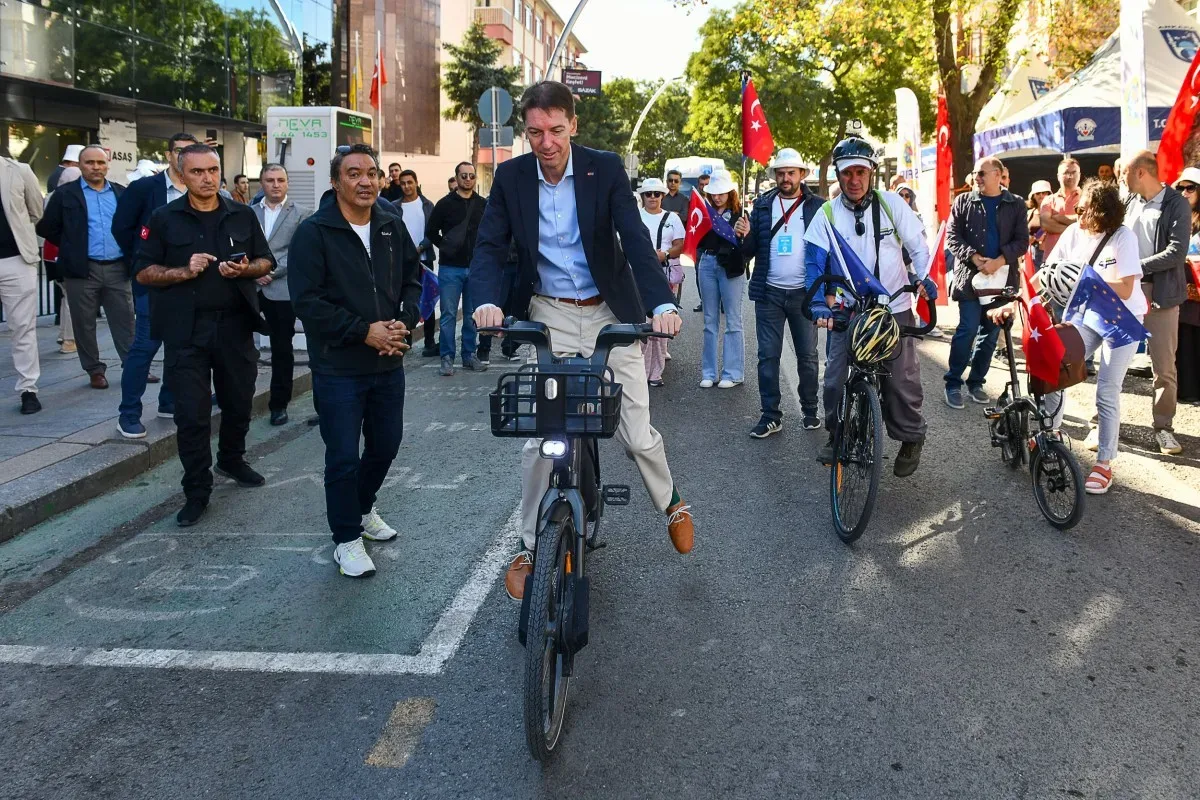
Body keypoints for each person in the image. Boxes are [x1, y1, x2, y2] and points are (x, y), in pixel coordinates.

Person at [469, 80, 694, 601]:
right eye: (535, 132)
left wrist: (661, 305)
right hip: (547, 312)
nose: (546, 142)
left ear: (572, 124)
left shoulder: (605, 168)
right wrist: (485, 302)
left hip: (606, 311)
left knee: (635, 433)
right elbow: (489, 246)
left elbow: (634, 239)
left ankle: (670, 502)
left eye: (555, 130)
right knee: (538, 439)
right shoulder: (511, 177)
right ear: (525, 132)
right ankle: (529, 546)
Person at [289, 143, 422, 578]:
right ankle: (346, 538)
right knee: (343, 456)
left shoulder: (390, 223)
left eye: (372, 173)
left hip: (388, 361)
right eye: (353, 174)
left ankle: (362, 509)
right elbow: (308, 302)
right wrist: (364, 331)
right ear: (335, 182)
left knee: (386, 446)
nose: (365, 181)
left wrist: (403, 322)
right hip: (339, 367)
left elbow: (413, 279)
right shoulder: (314, 232)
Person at [134, 143, 274, 527]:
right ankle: (197, 490)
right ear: (182, 175)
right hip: (186, 331)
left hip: (235, 326)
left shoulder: (242, 214)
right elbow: (143, 272)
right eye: (197, 172)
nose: (207, 178)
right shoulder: (164, 218)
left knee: (239, 402)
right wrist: (184, 270)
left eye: (213, 170)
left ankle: (231, 459)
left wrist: (245, 270)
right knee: (192, 416)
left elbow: (266, 261)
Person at [804, 135, 935, 476]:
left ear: (871, 173)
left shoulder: (892, 204)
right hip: (848, 308)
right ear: (838, 175)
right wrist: (818, 304)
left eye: (861, 172)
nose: (854, 180)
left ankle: (911, 437)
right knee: (834, 379)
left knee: (901, 381)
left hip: (894, 307)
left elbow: (919, 248)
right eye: (847, 173)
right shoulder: (827, 213)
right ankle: (837, 433)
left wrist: (925, 278)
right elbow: (814, 263)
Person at [1042, 180, 1146, 494]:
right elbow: (1049, 271)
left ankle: (1104, 463)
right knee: (1056, 366)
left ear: (1102, 213)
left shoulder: (1123, 237)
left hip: (1123, 318)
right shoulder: (1074, 232)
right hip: (1089, 314)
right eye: (1078, 209)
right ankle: (1051, 436)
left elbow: (1126, 289)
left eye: (1084, 210)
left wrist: (1086, 281)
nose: (1078, 215)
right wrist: (1023, 297)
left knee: (1106, 390)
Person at [111, 132, 197, 437]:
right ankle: (128, 413)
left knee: (179, 344)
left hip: (189, 282)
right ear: (169, 154)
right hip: (152, 282)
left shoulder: (200, 188)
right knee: (145, 346)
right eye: (179, 151)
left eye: (191, 151)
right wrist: (140, 262)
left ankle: (168, 401)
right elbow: (122, 228)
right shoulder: (144, 188)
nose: (184, 156)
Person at [739, 147, 825, 436]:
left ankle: (810, 410)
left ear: (802, 175)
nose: (786, 178)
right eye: (781, 173)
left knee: (808, 357)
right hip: (769, 294)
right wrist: (744, 236)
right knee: (767, 357)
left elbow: (828, 249)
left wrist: (827, 291)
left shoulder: (818, 207)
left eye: (791, 173)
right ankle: (770, 415)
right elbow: (748, 252)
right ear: (775, 176)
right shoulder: (762, 206)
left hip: (804, 294)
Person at [36, 145, 134, 390]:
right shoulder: (65, 195)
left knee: (125, 321)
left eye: (100, 162)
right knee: (84, 323)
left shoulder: (121, 193)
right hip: (82, 269)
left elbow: (131, 226)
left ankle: (133, 366)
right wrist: (72, 246)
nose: (96, 167)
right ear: (80, 165)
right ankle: (94, 370)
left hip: (117, 268)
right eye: (90, 162)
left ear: (107, 165)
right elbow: (46, 227)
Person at [943, 156, 1028, 409]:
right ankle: (953, 383)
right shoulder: (963, 201)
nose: (976, 177)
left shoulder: (1016, 203)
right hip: (970, 278)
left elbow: (1022, 242)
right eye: (975, 173)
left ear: (998, 175)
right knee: (967, 329)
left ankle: (976, 382)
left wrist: (1000, 261)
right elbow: (952, 236)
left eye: (981, 173)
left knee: (990, 335)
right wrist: (973, 257)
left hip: (1001, 281)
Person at [1123, 150, 1189, 456]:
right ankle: (1102, 423)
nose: (1122, 178)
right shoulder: (1128, 202)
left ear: (1140, 173)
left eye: (1125, 172)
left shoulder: (1176, 203)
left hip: (1160, 294)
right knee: (1113, 358)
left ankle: (1164, 428)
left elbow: (1176, 252)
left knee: (1164, 367)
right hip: (1125, 291)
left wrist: (1134, 266)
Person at [252, 164, 311, 426]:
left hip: (282, 289)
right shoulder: (248, 213)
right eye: (270, 180)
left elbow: (299, 250)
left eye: (280, 180)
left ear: (287, 183)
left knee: (281, 349)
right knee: (236, 345)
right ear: (261, 183)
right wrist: (252, 272)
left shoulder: (302, 214)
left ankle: (279, 404)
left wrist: (269, 271)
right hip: (249, 287)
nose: (275, 185)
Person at [427, 161, 487, 376]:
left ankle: (469, 355)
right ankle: (447, 357)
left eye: (472, 176)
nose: (468, 179)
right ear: (457, 177)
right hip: (450, 268)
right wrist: (445, 246)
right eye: (464, 176)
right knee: (448, 314)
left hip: (475, 268)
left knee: (472, 315)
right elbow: (431, 231)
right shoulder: (444, 204)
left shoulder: (482, 204)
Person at [0, 151, 45, 414]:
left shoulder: (19, 171)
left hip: (16, 259)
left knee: (23, 327)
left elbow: (36, 211)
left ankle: (28, 389)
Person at [695, 168, 747, 388]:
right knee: (709, 320)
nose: (717, 197)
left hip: (731, 266)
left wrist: (742, 234)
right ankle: (709, 372)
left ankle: (732, 373)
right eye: (714, 193)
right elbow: (696, 237)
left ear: (730, 192)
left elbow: (748, 245)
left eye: (721, 193)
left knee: (733, 320)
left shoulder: (740, 213)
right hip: (707, 262)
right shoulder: (704, 211)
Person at [636, 178, 686, 387]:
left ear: (662, 196)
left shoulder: (672, 218)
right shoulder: (635, 216)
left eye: (657, 193)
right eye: (648, 194)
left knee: (661, 323)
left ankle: (655, 372)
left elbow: (680, 245)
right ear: (642, 196)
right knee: (642, 322)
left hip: (664, 273)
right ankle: (639, 371)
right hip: (637, 273)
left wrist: (664, 254)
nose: (652, 197)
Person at [394, 169, 438, 357]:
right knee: (403, 301)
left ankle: (429, 341)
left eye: (409, 182)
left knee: (428, 299)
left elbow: (434, 230)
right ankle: (406, 339)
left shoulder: (427, 205)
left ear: (416, 183)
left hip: (424, 259)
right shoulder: (394, 207)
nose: (406, 186)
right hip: (402, 262)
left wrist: (420, 248)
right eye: (403, 183)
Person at [46, 168, 78, 356]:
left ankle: (64, 334)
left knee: (66, 295)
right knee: (72, 296)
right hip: (65, 253)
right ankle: (69, 339)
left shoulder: (51, 196)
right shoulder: (69, 197)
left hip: (51, 253)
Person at [1176, 167, 1200, 405]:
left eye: (1190, 188)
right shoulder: (1177, 217)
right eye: (1180, 188)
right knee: (1183, 336)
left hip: (1198, 285)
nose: (1184, 192)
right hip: (1181, 286)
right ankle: (1185, 388)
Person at [1039, 157, 1082, 258]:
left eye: (1074, 172)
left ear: (1079, 175)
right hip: (1052, 259)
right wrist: (1073, 227)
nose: (1070, 176)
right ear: (1058, 176)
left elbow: (1085, 221)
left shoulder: (1086, 198)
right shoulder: (1049, 200)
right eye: (1066, 173)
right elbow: (1045, 224)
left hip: (1078, 258)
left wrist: (1058, 218)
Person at [1027, 179, 1053, 269]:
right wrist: (1029, 238)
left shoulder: (1054, 212)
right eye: (1038, 193)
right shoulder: (1030, 213)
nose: (1041, 195)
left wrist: (1042, 235)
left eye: (1044, 193)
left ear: (1049, 194)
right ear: (1033, 196)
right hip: (1031, 254)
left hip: (1048, 253)